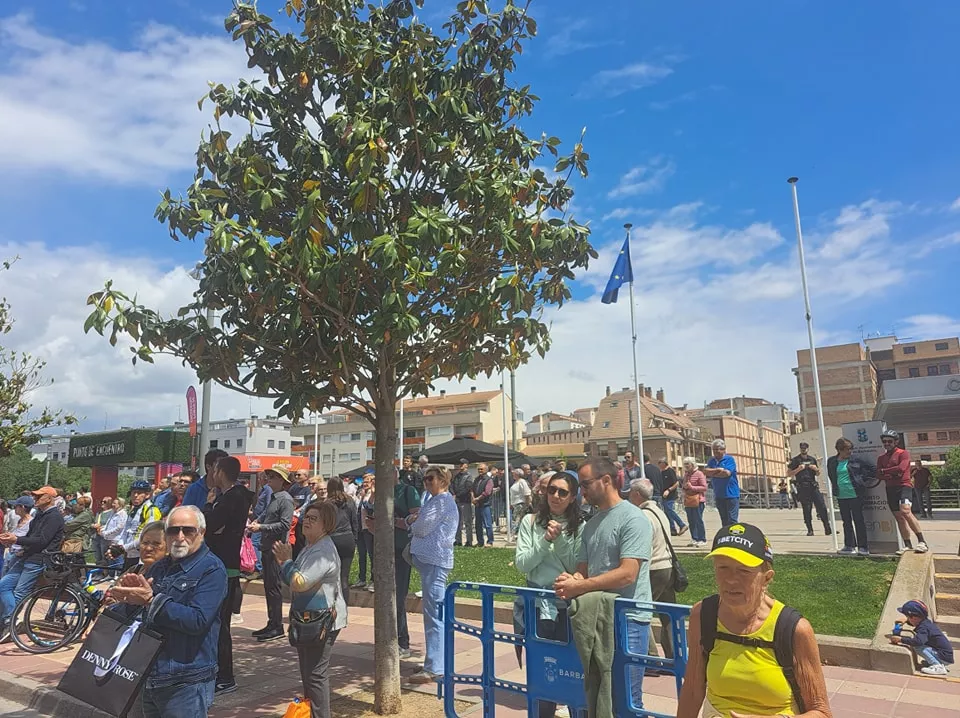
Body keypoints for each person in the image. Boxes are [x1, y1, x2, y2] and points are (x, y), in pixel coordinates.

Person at [676, 523, 831, 718]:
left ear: (766, 578)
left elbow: (822, 712)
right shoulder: (703, 614)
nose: (731, 580)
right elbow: (692, 689)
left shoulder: (794, 629)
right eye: (723, 568)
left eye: (744, 571)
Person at [108, 505, 227, 718]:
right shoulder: (160, 566)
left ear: (201, 532)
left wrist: (152, 600)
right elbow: (142, 610)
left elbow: (197, 620)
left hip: (186, 680)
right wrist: (123, 601)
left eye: (188, 530)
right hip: (150, 671)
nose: (180, 537)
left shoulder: (212, 569)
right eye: (173, 530)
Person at [554, 457, 653, 708]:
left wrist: (581, 585)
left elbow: (628, 573)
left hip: (628, 620)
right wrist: (571, 580)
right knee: (597, 695)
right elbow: (582, 572)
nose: (581, 491)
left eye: (585, 484)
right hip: (596, 617)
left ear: (606, 480)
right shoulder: (591, 525)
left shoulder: (634, 519)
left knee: (628, 699)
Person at [515, 470, 583, 718]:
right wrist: (544, 541)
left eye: (562, 492)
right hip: (536, 605)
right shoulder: (530, 522)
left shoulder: (580, 527)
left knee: (569, 666)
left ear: (573, 497)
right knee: (541, 668)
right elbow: (523, 563)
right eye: (551, 490)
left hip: (567, 605)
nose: (555, 496)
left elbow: (575, 566)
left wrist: (561, 540)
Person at [273, 502, 348, 718]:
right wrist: (286, 564)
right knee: (308, 674)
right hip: (308, 619)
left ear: (327, 524)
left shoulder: (322, 550)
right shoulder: (310, 547)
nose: (306, 521)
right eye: (306, 517)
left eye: (313, 518)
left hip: (322, 620)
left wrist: (286, 562)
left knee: (315, 675)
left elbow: (299, 582)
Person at [203, 456, 255, 695]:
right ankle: (219, 672)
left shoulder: (230, 498)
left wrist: (209, 505)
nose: (211, 474)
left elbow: (209, 525)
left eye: (213, 470)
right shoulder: (235, 496)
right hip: (225, 564)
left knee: (221, 625)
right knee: (218, 623)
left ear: (221, 472)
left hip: (225, 565)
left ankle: (225, 676)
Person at [408, 466, 459, 684]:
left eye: (430, 479)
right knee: (433, 614)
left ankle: (435, 667)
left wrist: (412, 521)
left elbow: (420, 527)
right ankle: (435, 661)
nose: (426, 482)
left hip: (435, 562)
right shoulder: (434, 499)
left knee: (435, 616)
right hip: (431, 562)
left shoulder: (441, 501)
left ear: (443, 480)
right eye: (424, 479)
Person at [0, 486, 65, 641]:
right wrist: (16, 543)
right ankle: (9, 620)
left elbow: (43, 540)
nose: (35, 498)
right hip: (27, 556)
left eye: (39, 496)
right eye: (35, 496)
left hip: (39, 559)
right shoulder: (40, 515)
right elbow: (30, 536)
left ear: (49, 498)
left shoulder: (54, 516)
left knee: (20, 592)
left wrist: (17, 540)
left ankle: (9, 623)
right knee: (3, 585)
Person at [627, 478, 678, 662]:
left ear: (637, 494)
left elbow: (643, 547)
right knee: (668, 615)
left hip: (654, 568)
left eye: (630, 493)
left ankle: (651, 656)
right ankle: (674, 654)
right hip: (668, 567)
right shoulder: (659, 511)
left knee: (642, 608)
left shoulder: (643, 516)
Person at [248, 466, 295, 641]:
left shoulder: (285, 500)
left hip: (276, 548)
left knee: (274, 587)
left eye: (273, 477)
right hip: (268, 546)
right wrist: (258, 521)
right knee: (269, 587)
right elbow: (268, 517)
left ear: (282, 481)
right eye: (269, 476)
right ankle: (272, 622)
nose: (269, 479)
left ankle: (277, 626)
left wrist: (261, 527)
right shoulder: (274, 498)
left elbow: (285, 524)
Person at [877, 429, 928, 554]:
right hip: (890, 488)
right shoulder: (881, 457)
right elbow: (878, 474)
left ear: (896, 442)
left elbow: (902, 468)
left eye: (889, 441)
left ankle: (922, 542)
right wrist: (889, 473)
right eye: (884, 441)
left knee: (905, 511)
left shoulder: (903, 453)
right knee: (899, 517)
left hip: (904, 486)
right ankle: (907, 545)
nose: (887, 443)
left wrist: (885, 471)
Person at [393, 467, 421, 658]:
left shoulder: (407, 491)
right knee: (389, 597)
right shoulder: (378, 493)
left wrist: (395, 521)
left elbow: (416, 517)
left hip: (402, 548)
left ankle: (403, 641)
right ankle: (391, 638)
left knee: (399, 596)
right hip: (382, 548)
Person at [827, 438, 870, 556]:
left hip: (855, 494)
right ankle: (849, 545)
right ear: (839, 450)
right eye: (847, 450)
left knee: (858, 520)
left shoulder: (855, 460)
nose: (850, 452)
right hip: (841, 495)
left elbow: (870, 470)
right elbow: (831, 475)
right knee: (846, 521)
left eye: (851, 449)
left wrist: (861, 481)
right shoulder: (831, 461)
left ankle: (863, 547)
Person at [889, 600, 953, 676]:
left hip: (944, 657)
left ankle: (937, 666)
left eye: (907, 617)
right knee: (920, 645)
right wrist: (906, 621)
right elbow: (915, 622)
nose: (907, 618)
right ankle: (935, 662)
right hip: (945, 655)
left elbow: (918, 642)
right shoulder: (925, 622)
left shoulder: (923, 628)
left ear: (914, 617)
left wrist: (901, 640)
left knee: (918, 647)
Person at [787, 443, 832, 537]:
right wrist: (798, 469)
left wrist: (816, 469)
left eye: (805, 448)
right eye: (802, 448)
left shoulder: (812, 459)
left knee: (821, 506)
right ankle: (810, 529)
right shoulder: (795, 460)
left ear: (808, 449)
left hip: (813, 485)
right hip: (802, 486)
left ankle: (827, 527)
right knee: (807, 509)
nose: (803, 450)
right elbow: (789, 474)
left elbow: (818, 474)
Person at [325, 478, 358, 599]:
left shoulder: (327, 503)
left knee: (332, 576)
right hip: (347, 538)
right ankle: (344, 605)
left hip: (332, 538)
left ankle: (332, 603)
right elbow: (355, 521)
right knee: (344, 577)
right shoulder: (350, 501)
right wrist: (354, 539)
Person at [120, 480, 164, 570]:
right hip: (130, 554)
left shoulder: (151, 510)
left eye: (139, 493)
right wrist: (119, 545)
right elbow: (126, 530)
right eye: (133, 493)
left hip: (142, 556)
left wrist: (124, 548)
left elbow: (148, 536)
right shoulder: (133, 510)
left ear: (147, 495)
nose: (135, 496)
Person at [704, 440, 740, 527]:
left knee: (732, 519)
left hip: (731, 494)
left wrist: (713, 473)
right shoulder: (712, 460)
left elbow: (726, 473)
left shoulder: (729, 459)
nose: (716, 451)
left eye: (718, 449)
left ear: (724, 449)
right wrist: (718, 470)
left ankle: (733, 538)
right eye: (714, 449)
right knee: (724, 520)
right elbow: (705, 471)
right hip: (719, 494)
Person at [352, 471, 375, 590]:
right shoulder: (362, 493)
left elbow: (369, 507)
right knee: (362, 555)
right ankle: (361, 578)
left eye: (367, 481)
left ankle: (373, 580)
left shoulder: (373, 494)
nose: (365, 484)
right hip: (360, 528)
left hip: (369, 528)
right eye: (363, 481)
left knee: (372, 555)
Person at [1, 497, 33, 577]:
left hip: (18, 554)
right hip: (11, 552)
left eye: (16, 506)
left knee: (7, 580)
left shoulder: (31, 523)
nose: (14, 508)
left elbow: (30, 540)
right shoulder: (20, 520)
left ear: (22, 507)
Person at [250, 470, 274, 575]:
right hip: (257, 518)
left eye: (260, 478)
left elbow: (268, 506)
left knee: (254, 542)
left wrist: (259, 519)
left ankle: (258, 568)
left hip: (261, 521)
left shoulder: (268, 490)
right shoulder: (262, 490)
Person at [682, 458, 708, 548]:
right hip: (689, 500)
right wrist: (685, 487)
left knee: (698, 520)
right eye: (685, 465)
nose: (686, 467)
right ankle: (694, 538)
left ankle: (702, 539)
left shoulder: (699, 474)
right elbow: (683, 486)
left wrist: (692, 487)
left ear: (692, 464)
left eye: (687, 465)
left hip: (698, 500)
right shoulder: (686, 474)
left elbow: (704, 487)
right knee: (691, 520)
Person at [658, 459, 687, 536]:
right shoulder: (661, 472)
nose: (659, 464)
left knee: (669, 509)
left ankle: (682, 524)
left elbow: (676, 483)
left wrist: (668, 490)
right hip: (663, 495)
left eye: (660, 463)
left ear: (664, 463)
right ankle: (672, 529)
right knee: (666, 511)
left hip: (670, 495)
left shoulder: (670, 471)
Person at [451, 459, 474, 547]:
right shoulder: (456, 476)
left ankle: (469, 541)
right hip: (457, 501)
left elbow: (467, 488)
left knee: (467, 522)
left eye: (462, 464)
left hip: (465, 501)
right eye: (460, 464)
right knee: (457, 522)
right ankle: (458, 540)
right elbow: (452, 485)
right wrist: (453, 494)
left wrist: (457, 495)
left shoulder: (468, 476)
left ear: (466, 465)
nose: (460, 465)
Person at [472, 463, 495, 547]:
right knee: (478, 525)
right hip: (477, 505)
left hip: (485, 505)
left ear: (486, 470)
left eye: (481, 469)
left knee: (488, 524)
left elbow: (487, 492)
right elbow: (472, 489)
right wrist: (473, 498)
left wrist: (477, 499)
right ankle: (480, 541)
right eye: (478, 469)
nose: (480, 471)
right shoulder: (476, 479)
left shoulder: (489, 480)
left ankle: (490, 541)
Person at [91, 496, 115, 565]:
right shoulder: (99, 513)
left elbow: (111, 524)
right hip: (95, 536)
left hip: (104, 538)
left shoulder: (111, 513)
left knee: (104, 555)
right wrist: (93, 525)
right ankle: (98, 572)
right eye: (102, 501)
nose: (102, 503)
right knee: (97, 556)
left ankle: (105, 572)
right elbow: (94, 522)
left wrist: (101, 526)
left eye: (104, 502)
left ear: (109, 503)